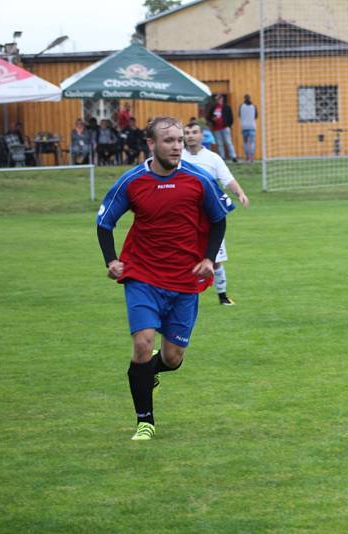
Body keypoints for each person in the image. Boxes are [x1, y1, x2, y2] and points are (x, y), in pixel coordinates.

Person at [96, 116, 235, 441]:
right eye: (169, 140)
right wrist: (112, 260)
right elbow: (104, 223)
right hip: (142, 275)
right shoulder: (132, 181)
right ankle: (145, 421)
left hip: (184, 280)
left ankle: (146, 374)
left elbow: (218, 220)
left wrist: (208, 258)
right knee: (143, 343)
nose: (176, 146)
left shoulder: (198, 179)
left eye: (179, 141)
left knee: (172, 359)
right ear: (151, 144)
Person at [181, 119, 250, 305]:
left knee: (215, 259)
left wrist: (240, 193)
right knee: (182, 257)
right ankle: (183, 294)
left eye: (194, 132)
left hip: (210, 215)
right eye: (187, 133)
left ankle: (222, 296)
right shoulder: (178, 158)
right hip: (185, 216)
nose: (190, 136)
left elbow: (227, 179)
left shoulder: (212, 158)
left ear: (202, 136)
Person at [207, 94, 238, 162]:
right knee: (219, 143)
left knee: (228, 142)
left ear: (222, 99)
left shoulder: (226, 107)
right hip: (216, 128)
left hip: (225, 127)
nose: (218, 100)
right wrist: (213, 120)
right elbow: (209, 117)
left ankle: (234, 156)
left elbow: (231, 117)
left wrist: (228, 125)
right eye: (217, 99)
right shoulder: (213, 108)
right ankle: (222, 157)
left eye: (219, 98)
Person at [239, 94, 258, 162]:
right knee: (252, 142)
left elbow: (239, 115)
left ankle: (247, 156)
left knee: (246, 142)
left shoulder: (241, 106)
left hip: (244, 127)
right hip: (252, 126)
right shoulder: (254, 106)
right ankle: (252, 156)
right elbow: (256, 116)